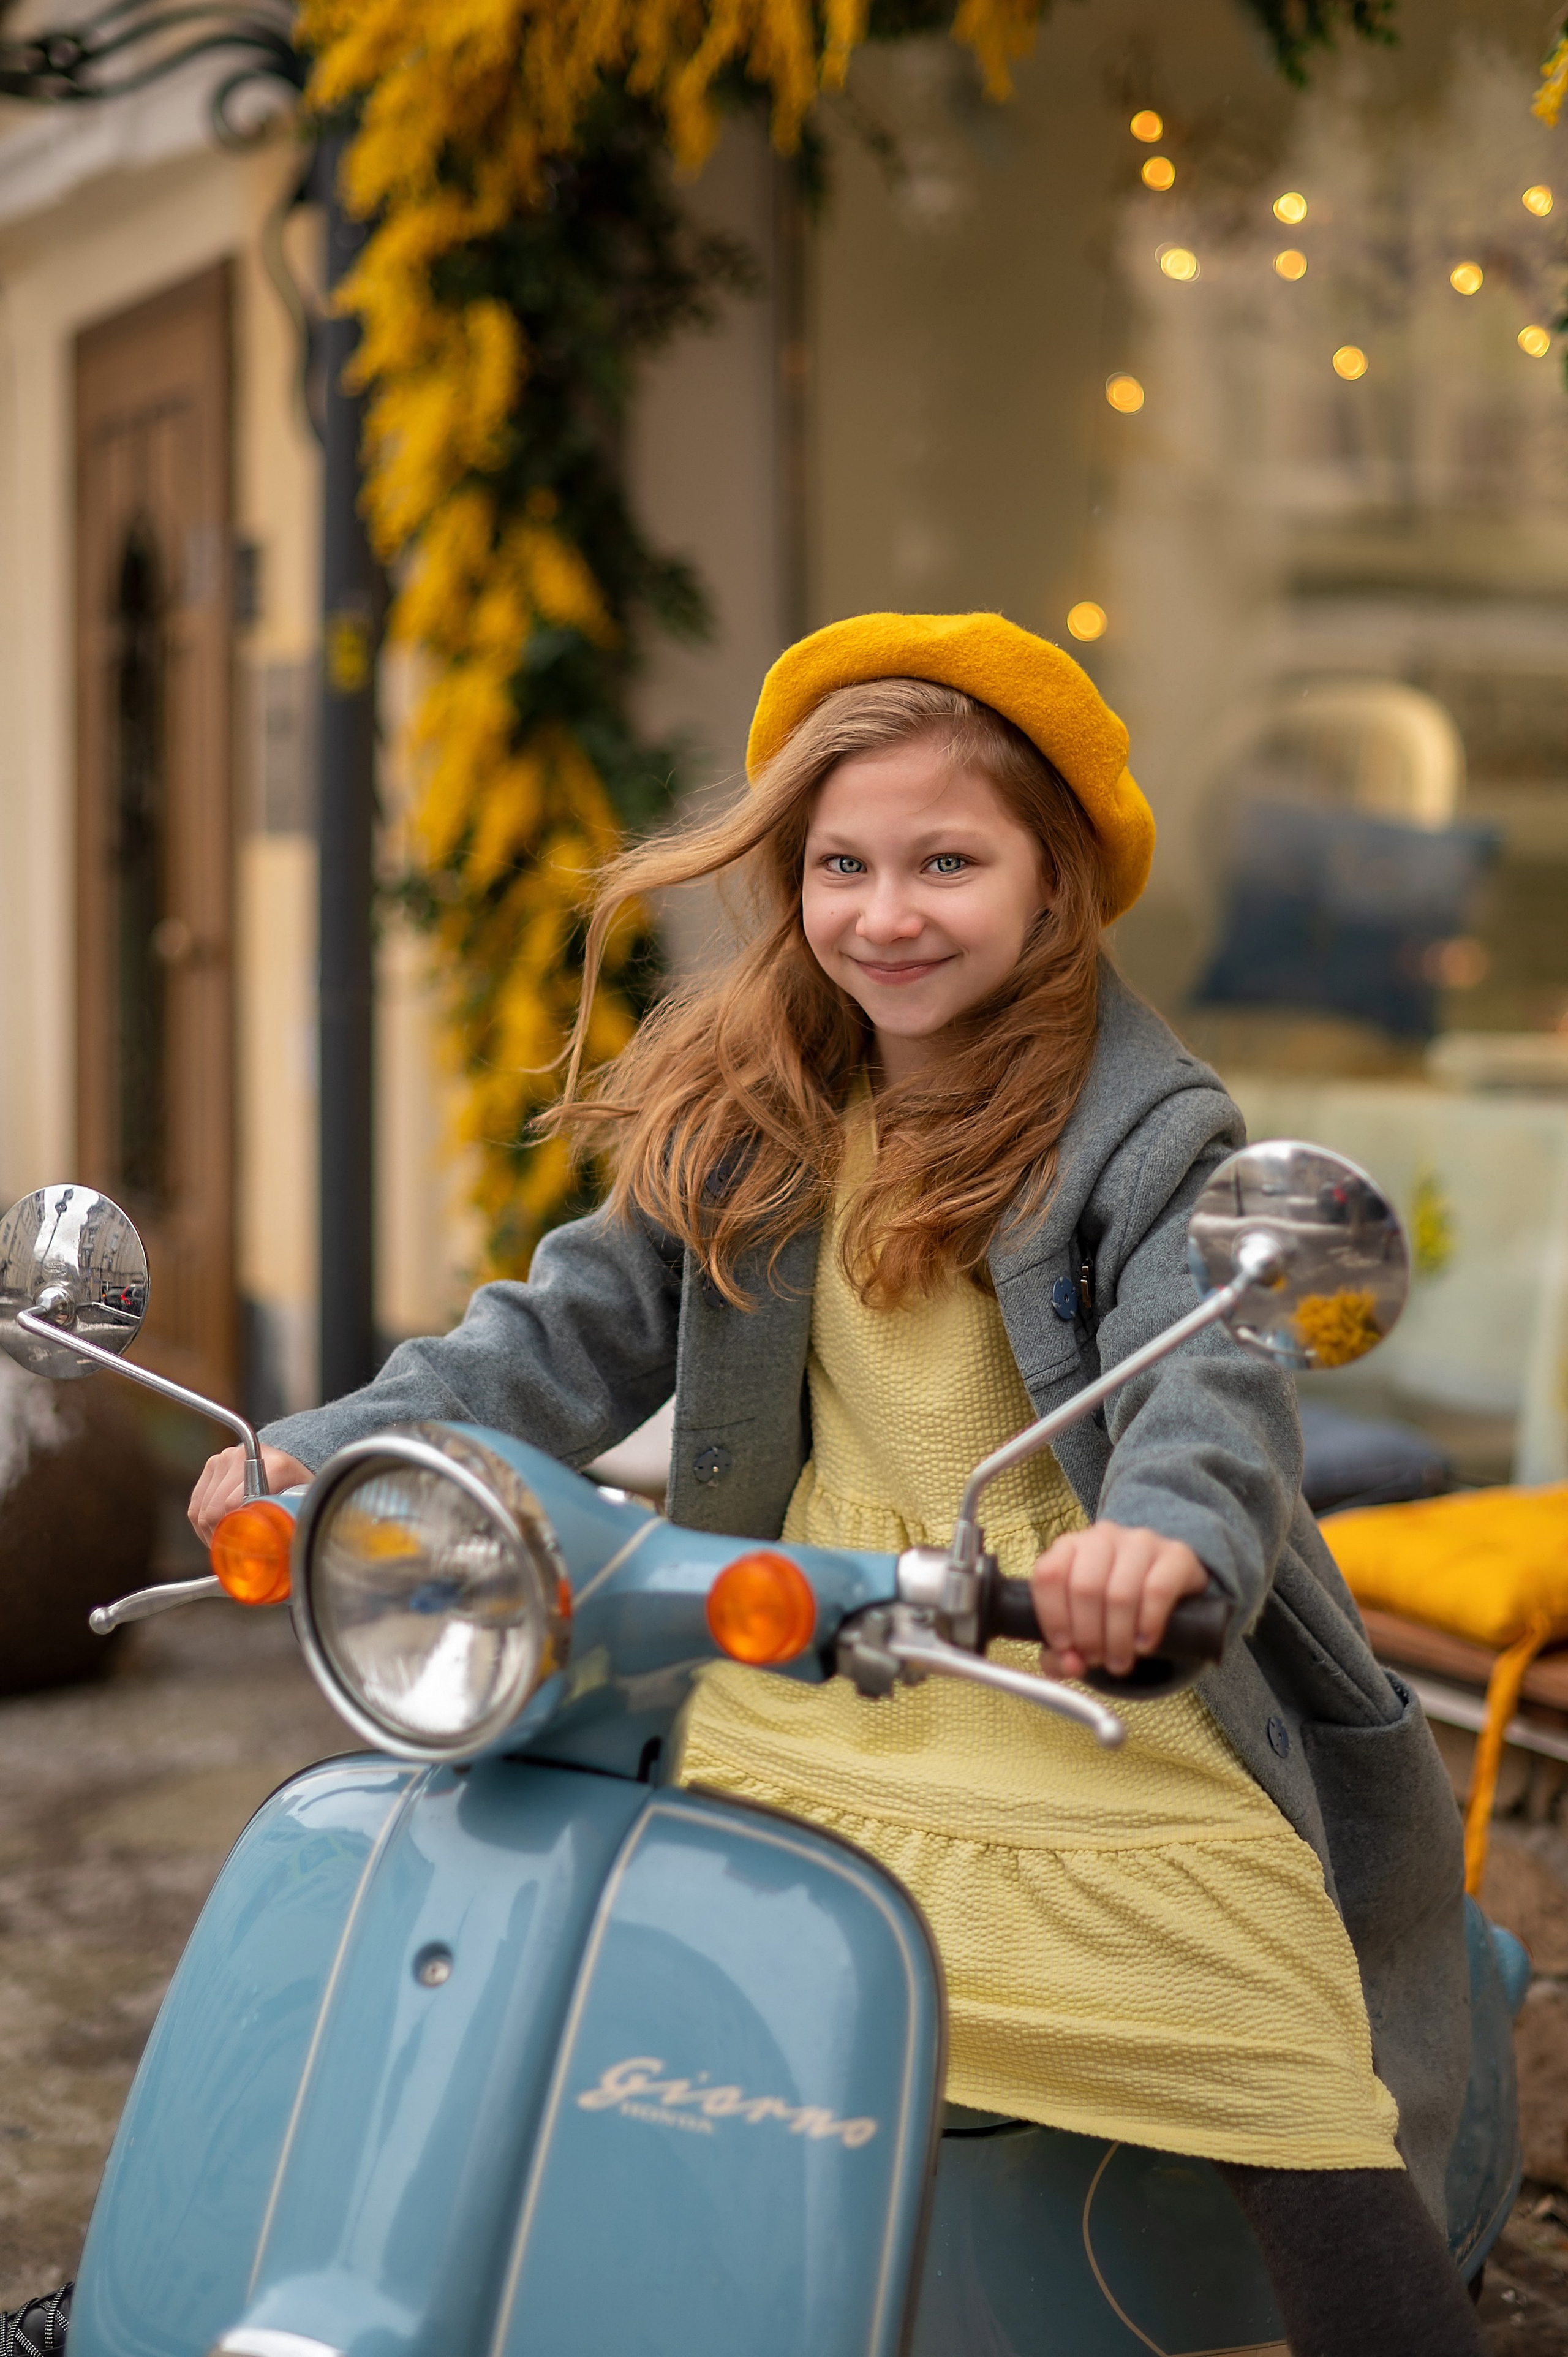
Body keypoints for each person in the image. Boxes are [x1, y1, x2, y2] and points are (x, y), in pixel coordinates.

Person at [190, 613, 1480, 2356]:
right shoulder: (758, 1107)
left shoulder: (1157, 1132)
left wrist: (1153, 1551)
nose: (886, 912)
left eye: (948, 860)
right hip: (799, 1649)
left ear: (1055, 886)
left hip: (1078, 1666)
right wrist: (325, 1450)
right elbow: (558, 1333)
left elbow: (1208, 1390)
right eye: (840, 863)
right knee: (520, 1890)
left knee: (1248, 2018)